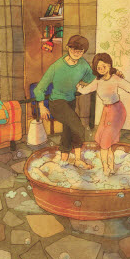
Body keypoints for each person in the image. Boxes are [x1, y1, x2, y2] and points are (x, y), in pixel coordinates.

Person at [76, 52, 130, 175]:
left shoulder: (115, 79)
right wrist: (76, 84)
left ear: (109, 65)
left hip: (117, 111)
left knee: (105, 143)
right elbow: (84, 90)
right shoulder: (98, 81)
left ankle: (106, 169)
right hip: (106, 111)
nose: (101, 69)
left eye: (104, 66)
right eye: (99, 68)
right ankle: (110, 167)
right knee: (106, 144)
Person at [34, 35, 95, 169]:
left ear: (83, 52)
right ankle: (77, 159)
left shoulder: (83, 64)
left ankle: (65, 159)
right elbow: (40, 88)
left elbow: (91, 78)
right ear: (68, 48)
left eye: (80, 51)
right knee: (78, 127)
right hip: (57, 102)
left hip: (70, 101)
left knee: (68, 128)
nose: (76, 53)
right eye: (74, 49)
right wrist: (41, 106)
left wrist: (83, 83)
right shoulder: (57, 66)